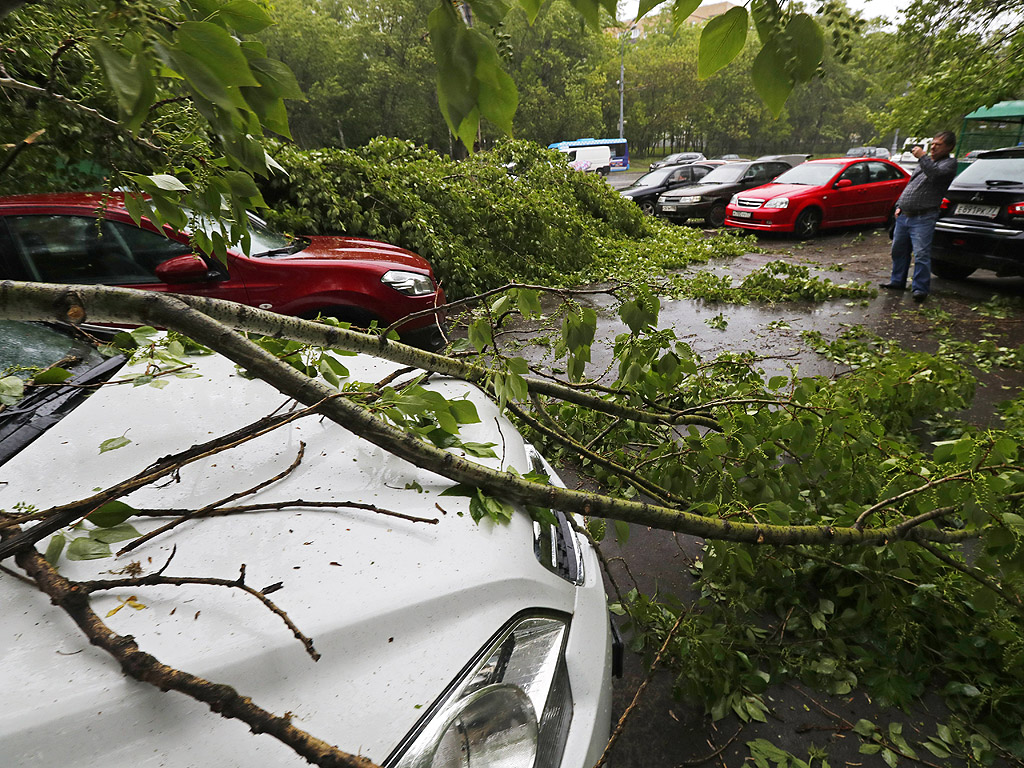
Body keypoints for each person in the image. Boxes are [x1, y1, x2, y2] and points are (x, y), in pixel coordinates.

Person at [880, 130, 958, 302]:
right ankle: (897, 281)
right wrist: (899, 205)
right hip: (905, 215)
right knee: (898, 250)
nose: (933, 148)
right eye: (933, 144)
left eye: (939, 145)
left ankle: (920, 289)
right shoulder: (927, 162)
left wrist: (922, 157)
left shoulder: (948, 164)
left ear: (949, 147)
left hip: (924, 217)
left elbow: (936, 176)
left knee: (921, 253)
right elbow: (911, 185)